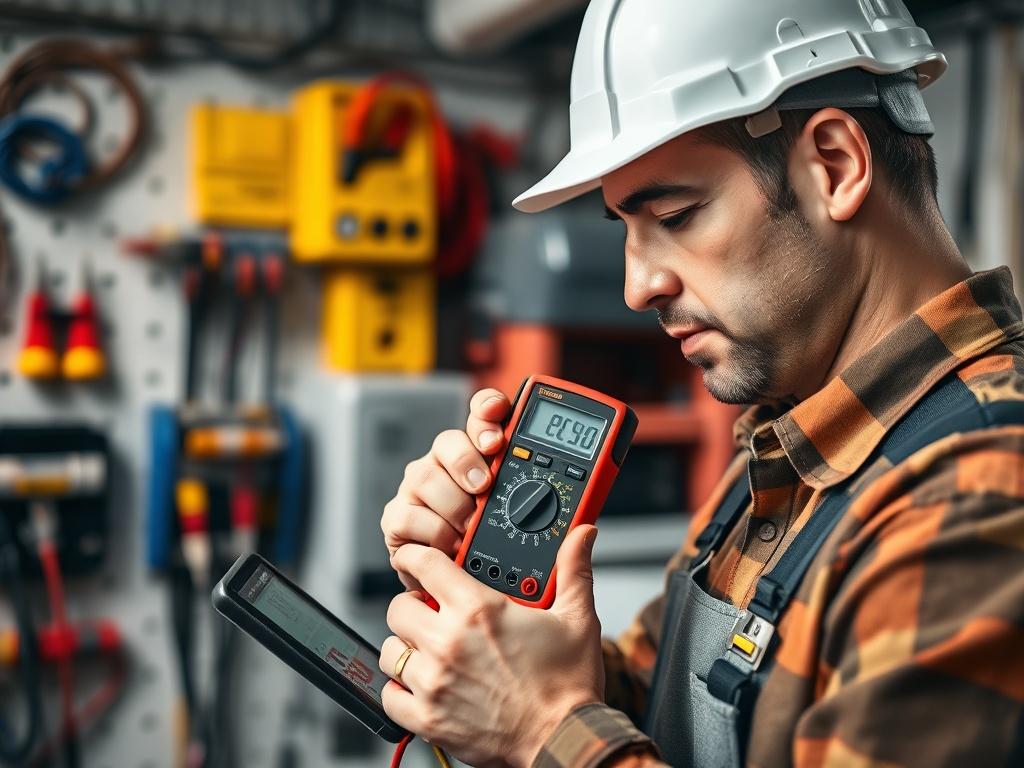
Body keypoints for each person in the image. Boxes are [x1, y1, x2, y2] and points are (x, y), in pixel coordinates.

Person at [378, 1, 1024, 766]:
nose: (637, 286)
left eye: (677, 216)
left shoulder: (981, 491)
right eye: (625, 228)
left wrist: (542, 731)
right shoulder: (792, 442)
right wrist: (504, 652)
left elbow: (560, 730)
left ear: (836, 166)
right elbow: (652, 707)